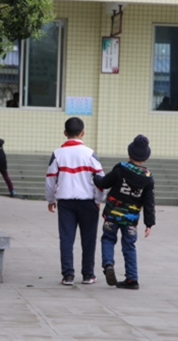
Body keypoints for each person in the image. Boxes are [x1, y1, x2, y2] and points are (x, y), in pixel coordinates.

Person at [45, 117, 106, 285]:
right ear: (83, 132)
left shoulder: (57, 154)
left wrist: (51, 199)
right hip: (88, 202)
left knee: (66, 238)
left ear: (65, 133)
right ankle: (88, 275)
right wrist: (99, 200)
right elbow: (101, 180)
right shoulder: (90, 153)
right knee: (89, 239)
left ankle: (68, 275)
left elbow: (51, 179)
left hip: (65, 203)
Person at [92, 134, 156, 290]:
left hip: (112, 215)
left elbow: (105, 183)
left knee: (108, 239)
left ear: (129, 154)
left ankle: (108, 265)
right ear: (146, 158)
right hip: (131, 219)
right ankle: (132, 279)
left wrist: (95, 177)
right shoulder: (148, 177)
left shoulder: (120, 168)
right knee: (129, 246)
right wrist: (149, 223)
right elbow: (149, 202)